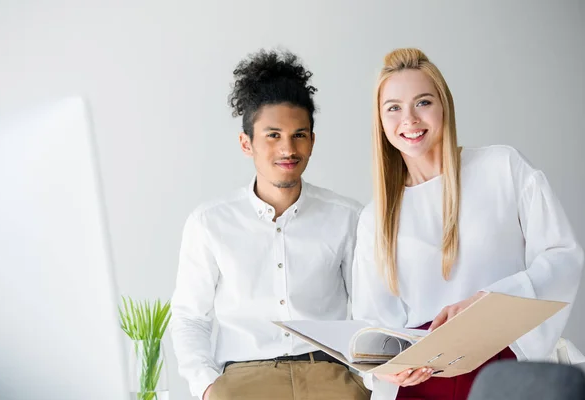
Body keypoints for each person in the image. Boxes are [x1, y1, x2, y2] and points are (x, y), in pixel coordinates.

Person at [352, 48, 584, 400]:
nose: (409, 120)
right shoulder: (375, 217)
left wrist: (491, 301)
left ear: (444, 106)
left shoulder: (502, 168)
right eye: (394, 108)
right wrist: (389, 368)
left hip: (503, 362)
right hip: (421, 382)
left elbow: (561, 255)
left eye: (423, 102)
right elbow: (371, 323)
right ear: (380, 121)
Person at [170, 49, 370, 400]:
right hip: (243, 378)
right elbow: (190, 317)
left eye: (299, 134)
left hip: (330, 376)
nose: (288, 149)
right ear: (246, 143)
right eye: (273, 135)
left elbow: (372, 309)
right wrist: (207, 388)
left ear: (312, 140)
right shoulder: (209, 223)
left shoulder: (348, 217)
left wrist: (365, 382)